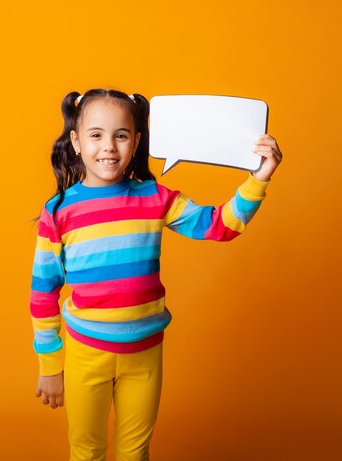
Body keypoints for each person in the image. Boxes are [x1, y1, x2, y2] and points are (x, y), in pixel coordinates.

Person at [29, 88, 283, 461]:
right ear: (76, 142)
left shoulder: (155, 198)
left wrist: (260, 178)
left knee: (135, 452)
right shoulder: (59, 211)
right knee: (87, 450)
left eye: (121, 135)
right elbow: (42, 294)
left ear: (137, 141)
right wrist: (50, 366)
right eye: (96, 134)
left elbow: (219, 226)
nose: (109, 147)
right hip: (86, 354)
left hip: (145, 356)